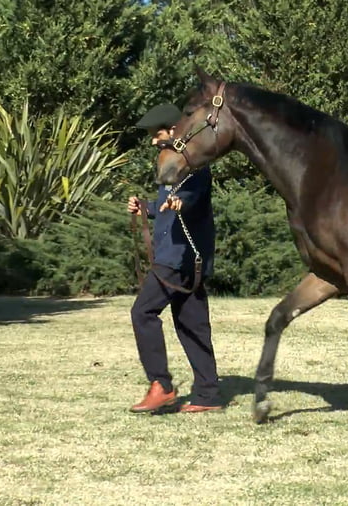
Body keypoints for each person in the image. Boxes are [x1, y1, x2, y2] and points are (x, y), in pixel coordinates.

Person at [126, 103, 220, 414]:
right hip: (182, 259)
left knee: (142, 313)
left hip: (179, 259)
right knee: (191, 325)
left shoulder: (196, 168)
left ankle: (161, 386)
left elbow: (190, 197)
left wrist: (182, 202)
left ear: (174, 131)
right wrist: (147, 207)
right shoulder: (171, 165)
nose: (153, 140)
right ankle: (207, 396)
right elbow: (167, 204)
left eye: (157, 134)